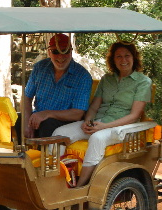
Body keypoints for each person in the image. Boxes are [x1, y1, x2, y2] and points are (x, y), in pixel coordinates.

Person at [52, 41, 152, 187]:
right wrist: (88, 121)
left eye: (127, 56)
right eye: (118, 56)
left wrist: (105, 126)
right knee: (59, 133)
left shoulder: (143, 82)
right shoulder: (107, 79)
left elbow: (134, 115)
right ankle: (59, 180)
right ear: (113, 59)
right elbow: (94, 107)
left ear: (134, 58)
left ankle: (80, 187)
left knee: (97, 138)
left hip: (121, 127)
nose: (123, 60)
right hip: (98, 122)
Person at [21, 33, 92, 138]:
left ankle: (44, 154)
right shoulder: (40, 68)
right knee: (17, 120)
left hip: (65, 122)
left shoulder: (82, 76)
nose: (60, 57)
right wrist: (26, 123)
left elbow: (77, 113)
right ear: (49, 52)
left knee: (47, 124)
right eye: (55, 52)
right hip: (39, 116)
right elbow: (27, 97)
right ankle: (19, 153)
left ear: (71, 51)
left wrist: (47, 114)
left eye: (65, 51)